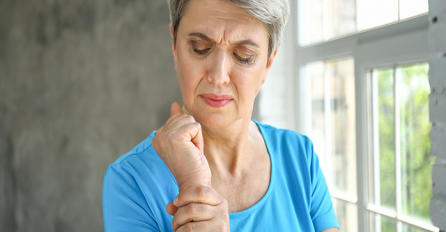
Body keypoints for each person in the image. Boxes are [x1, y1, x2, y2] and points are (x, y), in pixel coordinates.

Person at [102, 0, 341, 231]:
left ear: (268, 64)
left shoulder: (300, 156)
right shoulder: (130, 181)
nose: (218, 76)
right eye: (199, 48)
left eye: (244, 55)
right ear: (175, 47)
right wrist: (193, 188)